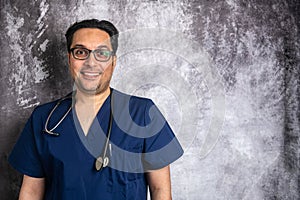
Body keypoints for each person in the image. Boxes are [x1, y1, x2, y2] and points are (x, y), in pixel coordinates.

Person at [8, 19, 183, 200]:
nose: (91, 62)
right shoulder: (43, 119)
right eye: (81, 52)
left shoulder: (143, 114)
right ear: (69, 59)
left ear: (113, 62)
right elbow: (31, 192)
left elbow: (160, 190)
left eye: (102, 53)